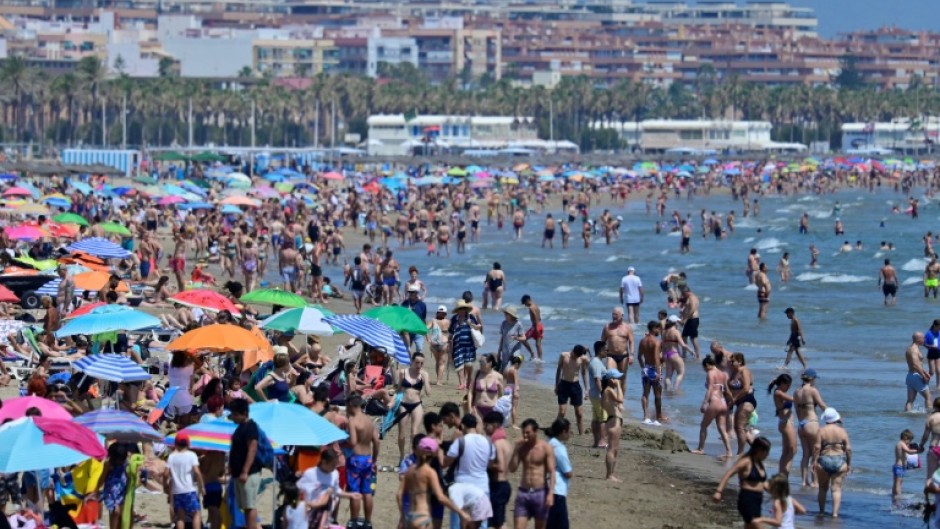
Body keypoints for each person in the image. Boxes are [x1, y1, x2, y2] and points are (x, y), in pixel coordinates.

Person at [398, 437, 470, 529]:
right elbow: (440, 497)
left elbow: (399, 495)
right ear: (433, 453)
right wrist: (461, 512)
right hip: (423, 518)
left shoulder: (410, 470)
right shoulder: (429, 472)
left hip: (410, 516)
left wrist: (403, 515)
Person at [444, 414, 495, 529]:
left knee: (458, 524)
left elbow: (446, 463)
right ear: (476, 425)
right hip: (482, 487)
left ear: (462, 425)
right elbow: (490, 464)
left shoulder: (461, 441)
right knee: (481, 525)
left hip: (462, 488)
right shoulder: (488, 442)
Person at [713, 436, 772, 529]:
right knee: (757, 525)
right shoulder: (746, 461)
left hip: (757, 500)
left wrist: (778, 495)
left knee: (749, 527)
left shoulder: (759, 463)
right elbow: (729, 474)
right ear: (760, 450)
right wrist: (719, 491)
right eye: (767, 452)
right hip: (747, 498)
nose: (768, 455)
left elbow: (762, 483)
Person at [509, 418, 555, 529]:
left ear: (536, 431)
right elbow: (512, 468)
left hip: (540, 493)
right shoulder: (522, 448)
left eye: (528, 433)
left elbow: (552, 472)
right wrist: (516, 449)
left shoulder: (545, 448)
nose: (525, 435)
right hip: (523, 492)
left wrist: (550, 493)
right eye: (523, 433)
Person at [346, 394, 380, 525]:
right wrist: (374, 460)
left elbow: (353, 442)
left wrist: (344, 441)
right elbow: (376, 441)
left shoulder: (353, 421)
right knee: (367, 492)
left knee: (355, 492)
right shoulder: (369, 421)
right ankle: (367, 522)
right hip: (367, 458)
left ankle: (354, 521)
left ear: (350, 405)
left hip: (355, 459)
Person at [229, 398, 262, 529]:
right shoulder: (241, 427)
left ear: (243, 413)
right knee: (244, 506)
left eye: (235, 414)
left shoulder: (250, 427)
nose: (233, 417)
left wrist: (245, 471)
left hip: (249, 473)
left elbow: (252, 448)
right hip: (239, 473)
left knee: (250, 506)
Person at [691, 356, 733, 457]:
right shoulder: (723, 374)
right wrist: (731, 400)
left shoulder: (711, 373)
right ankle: (729, 451)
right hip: (723, 402)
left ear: (707, 365)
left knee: (704, 425)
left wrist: (705, 403)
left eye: (704, 368)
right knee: (722, 428)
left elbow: (710, 389)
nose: (704, 370)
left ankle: (701, 448)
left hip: (714, 401)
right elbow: (727, 390)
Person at [814, 408, 851, 518]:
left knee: (822, 488)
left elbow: (816, 448)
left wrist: (814, 462)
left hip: (824, 459)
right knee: (836, 489)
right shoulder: (842, 431)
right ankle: (834, 514)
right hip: (839, 460)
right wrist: (849, 464)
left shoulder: (821, 430)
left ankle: (821, 512)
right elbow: (848, 449)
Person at [793, 368, 827, 488]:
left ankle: (803, 481)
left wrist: (801, 422)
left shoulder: (796, 392)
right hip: (812, 423)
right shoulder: (812, 390)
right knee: (816, 454)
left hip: (801, 424)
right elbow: (822, 405)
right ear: (812, 378)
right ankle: (814, 482)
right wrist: (833, 416)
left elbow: (797, 410)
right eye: (815, 379)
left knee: (805, 454)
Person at [396, 353, 431, 462]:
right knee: (401, 434)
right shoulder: (403, 372)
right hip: (404, 404)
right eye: (417, 362)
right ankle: (402, 456)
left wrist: (425, 380)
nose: (419, 365)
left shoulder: (424, 374)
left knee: (414, 432)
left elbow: (428, 393)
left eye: (421, 363)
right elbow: (398, 388)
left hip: (417, 404)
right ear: (411, 361)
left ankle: (412, 455)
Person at [165, 433, 205, 529]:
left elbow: (165, 474)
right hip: (189, 489)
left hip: (176, 491)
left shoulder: (171, 456)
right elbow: (197, 472)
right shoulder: (191, 455)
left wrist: (165, 485)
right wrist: (202, 486)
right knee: (196, 513)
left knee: (180, 517)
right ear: (188, 444)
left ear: (176, 444)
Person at [482, 411, 512, 529]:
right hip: (503, 485)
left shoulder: (497, 443)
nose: (484, 428)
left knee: (499, 523)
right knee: (496, 521)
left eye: (486, 425)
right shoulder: (506, 442)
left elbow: (501, 466)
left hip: (498, 485)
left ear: (494, 425)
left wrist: (484, 465)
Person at [554, 345, 587, 435]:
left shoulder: (582, 359)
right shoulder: (564, 355)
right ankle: (556, 428)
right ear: (572, 351)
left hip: (575, 386)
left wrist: (586, 389)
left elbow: (584, 373)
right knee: (562, 412)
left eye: (577, 356)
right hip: (564, 384)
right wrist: (556, 385)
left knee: (579, 413)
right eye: (574, 355)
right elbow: (558, 370)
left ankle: (581, 433)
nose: (575, 357)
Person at [729, 352, 758, 455]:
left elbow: (746, 388)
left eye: (733, 361)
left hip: (747, 401)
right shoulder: (734, 372)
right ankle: (757, 450)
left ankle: (740, 453)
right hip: (739, 402)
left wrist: (734, 398)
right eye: (730, 361)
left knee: (739, 428)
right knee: (741, 429)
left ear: (740, 361)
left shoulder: (744, 371)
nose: (730, 363)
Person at [546, 418, 572, 529]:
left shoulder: (548, 443)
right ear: (563, 432)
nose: (570, 434)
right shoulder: (559, 448)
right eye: (569, 431)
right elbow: (568, 472)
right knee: (561, 525)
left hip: (547, 487)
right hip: (557, 490)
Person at [450, 300, 482, 390]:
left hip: (469, 345)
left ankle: (468, 381)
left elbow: (478, 327)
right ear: (457, 310)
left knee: (468, 364)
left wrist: (470, 324)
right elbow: (451, 332)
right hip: (457, 345)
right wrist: (449, 345)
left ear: (465, 309)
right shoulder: (454, 319)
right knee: (459, 364)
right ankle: (462, 383)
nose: (462, 310)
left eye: (463, 308)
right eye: (460, 309)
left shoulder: (471, 317)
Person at [768, 374, 796, 475]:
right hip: (786, 423)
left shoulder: (780, 392)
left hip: (785, 423)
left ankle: (782, 473)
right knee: (793, 450)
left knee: (786, 451)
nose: (789, 387)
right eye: (787, 385)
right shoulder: (778, 392)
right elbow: (794, 399)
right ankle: (784, 473)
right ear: (782, 383)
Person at [600, 306, 633, 391]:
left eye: (616, 315)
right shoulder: (607, 327)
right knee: (610, 377)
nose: (614, 316)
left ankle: (620, 401)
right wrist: (600, 355)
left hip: (624, 356)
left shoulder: (627, 327)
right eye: (613, 314)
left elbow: (631, 342)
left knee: (622, 379)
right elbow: (602, 342)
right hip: (611, 355)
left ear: (622, 315)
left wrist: (632, 355)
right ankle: (611, 397)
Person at [638, 321, 665, 425]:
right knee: (657, 394)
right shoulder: (656, 342)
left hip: (646, 368)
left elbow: (639, 356)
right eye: (658, 329)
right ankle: (658, 419)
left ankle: (646, 417)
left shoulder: (642, 341)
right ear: (654, 328)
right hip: (654, 369)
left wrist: (643, 367)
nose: (659, 331)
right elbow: (656, 358)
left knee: (645, 393)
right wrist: (658, 372)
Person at [601, 369, 624, 482]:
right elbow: (620, 399)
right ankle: (609, 475)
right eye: (616, 378)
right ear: (610, 380)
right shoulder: (609, 390)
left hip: (614, 421)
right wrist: (619, 386)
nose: (618, 380)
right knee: (611, 448)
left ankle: (611, 474)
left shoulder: (606, 392)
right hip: (613, 422)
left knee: (615, 449)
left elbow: (615, 404)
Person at [906, 332, 932, 412]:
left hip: (910, 376)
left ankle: (907, 416)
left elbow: (917, 364)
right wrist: (923, 376)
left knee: (910, 400)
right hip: (916, 376)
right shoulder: (914, 349)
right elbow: (915, 365)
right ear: (918, 339)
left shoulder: (910, 348)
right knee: (928, 397)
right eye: (923, 338)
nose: (924, 340)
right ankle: (930, 415)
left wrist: (925, 372)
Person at [427, 305, 451, 385]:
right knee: (442, 363)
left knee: (437, 362)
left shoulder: (433, 321)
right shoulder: (448, 321)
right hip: (444, 343)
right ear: (445, 314)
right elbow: (452, 333)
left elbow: (425, 329)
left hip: (434, 343)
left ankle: (438, 378)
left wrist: (428, 339)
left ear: (437, 312)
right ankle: (439, 381)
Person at [401, 285, 428, 354]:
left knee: (419, 349)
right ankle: (410, 363)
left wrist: (425, 331)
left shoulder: (422, 305)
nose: (410, 294)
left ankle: (417, 362)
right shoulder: (405, 303)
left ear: (417, 293)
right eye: (409, 292)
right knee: (406, 351)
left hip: (418, 330)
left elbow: (423, 319)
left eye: (412, 292)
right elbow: (401, 317)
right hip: (407, 330)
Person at [893, 429, 918, 500]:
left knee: (897, 482)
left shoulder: (901, 444)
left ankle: (894, 495)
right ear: (905, 438)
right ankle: (898, 497)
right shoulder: (901, 443)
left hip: (899, 467)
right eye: (909, 440)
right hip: (899, 467)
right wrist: (918, 451)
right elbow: (909, 451)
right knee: (898, 483)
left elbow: (906, 452)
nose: (910, 442)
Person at [498, 306, 525, 371]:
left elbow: (524, 338)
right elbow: (502, 337)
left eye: (506, 314)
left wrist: (516, 338)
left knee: (514, 363)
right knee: (504, 369)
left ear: (511, 315)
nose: (505, 315)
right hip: (506, 349)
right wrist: (499, 349)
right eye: (505, 313)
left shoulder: (518, 324)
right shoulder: (504, 323)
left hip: (515, 348)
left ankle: (520, 358)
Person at [678, 287, 701, 359]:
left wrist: (685, 319)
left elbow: (692, 309)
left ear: (687, 292)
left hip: (693, 319)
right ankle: (684, 355)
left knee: (693, 338)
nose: (682, 295)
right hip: (689, 320)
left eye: (683, 294)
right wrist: (682, 315)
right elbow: (687, 309)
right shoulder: (689, 298)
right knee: (684, 337)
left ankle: (698, 356)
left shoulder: (692, 298)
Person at [520, 295, 543, 363]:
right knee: (538, 344)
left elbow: (535, 317)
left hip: (535, 326)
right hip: (540, 325)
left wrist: (535, 328)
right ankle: (540, 359)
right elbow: (539, 317)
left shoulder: (531, 308)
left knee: (523, 339)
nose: (525, 305)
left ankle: (532, 353)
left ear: (527, 300)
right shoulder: (536, 305)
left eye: (524, 303)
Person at [925, 320, 940, 389]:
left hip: (938, 353)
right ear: (934, 326)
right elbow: (924, 344)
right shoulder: (928, 334)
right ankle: (925, 382)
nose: (939, 328)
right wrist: (931, 346)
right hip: (931, 353)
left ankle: (938, 386)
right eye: (938, 327)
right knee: (932, 371)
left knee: (938, 370)